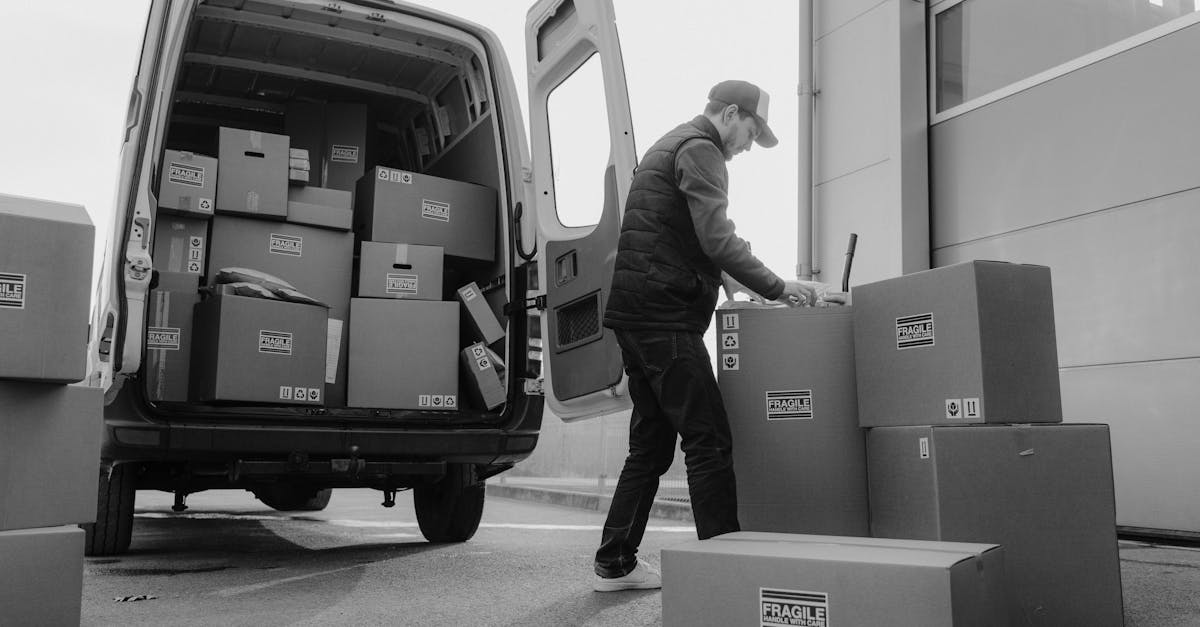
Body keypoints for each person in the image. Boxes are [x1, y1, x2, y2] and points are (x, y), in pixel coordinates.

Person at [593, 79, 824, 592]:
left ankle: (614, 562)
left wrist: (734, 280)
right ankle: (724, 572)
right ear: (730, 113)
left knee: (650, 448)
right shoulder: (702, 150)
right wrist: (777, 286)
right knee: (709, 440)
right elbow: (717, 236)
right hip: (664, 319)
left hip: (635, 316)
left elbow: (681, 234)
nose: (748, 146)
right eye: (752, 132)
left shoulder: (670, 144)